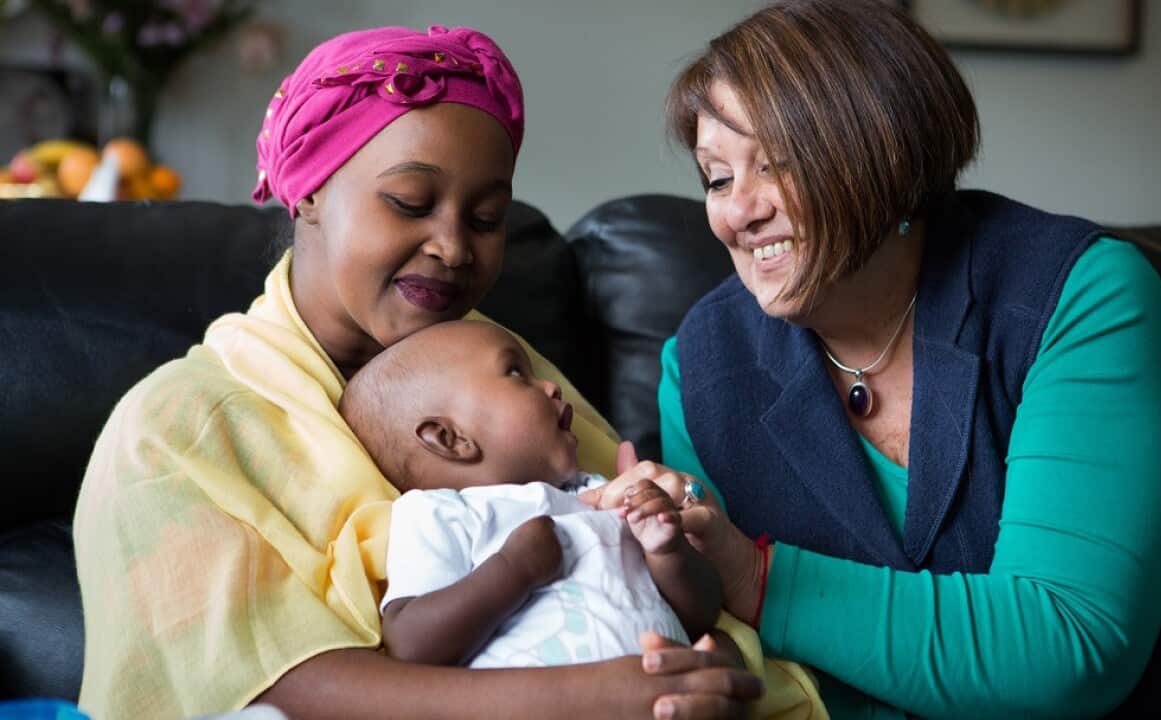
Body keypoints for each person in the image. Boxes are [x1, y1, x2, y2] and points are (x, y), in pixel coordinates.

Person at [596, 0, 1161, 717]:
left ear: (885, 153)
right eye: (717, 177)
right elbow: (724, 633)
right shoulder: (703, 364)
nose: (739, 213)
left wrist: (760, 578)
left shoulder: (1083, 296)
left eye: (776, 163)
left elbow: (1071, 646)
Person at [73, 25, 771, 720]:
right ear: (309, 190)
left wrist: (697, 675)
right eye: (410, 201)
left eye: (489, 218)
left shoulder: (518, 373)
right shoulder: (174, 429)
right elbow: (257, 685)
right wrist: (590, 698)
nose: (453, 246)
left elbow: (677, 603)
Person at [339, 320, 720, 667]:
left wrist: (667, 551)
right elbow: (410, 644)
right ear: (450, 438)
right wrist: (513, 570)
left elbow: (700, 615)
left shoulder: (597, 493)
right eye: (516, 373)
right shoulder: (439, 513)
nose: (551, 386)